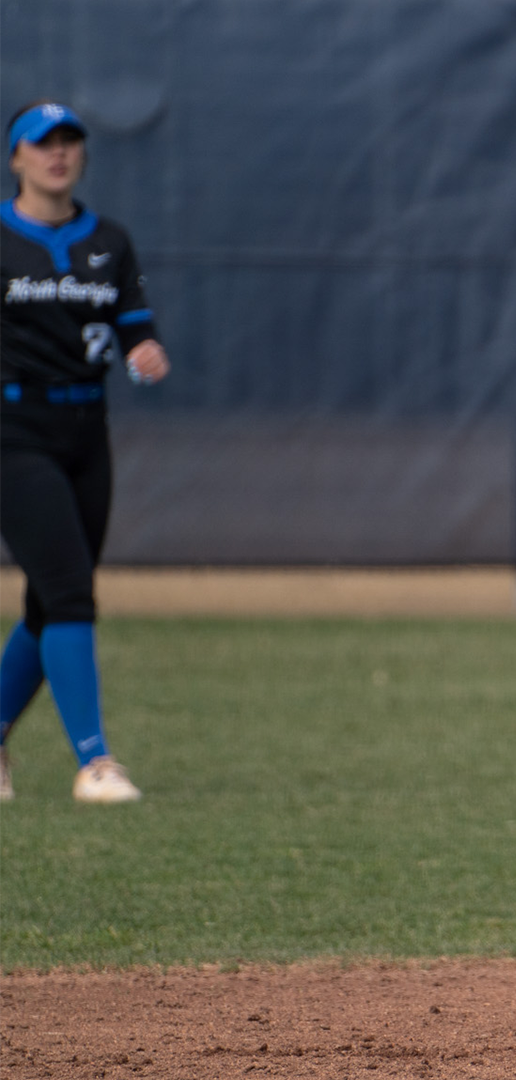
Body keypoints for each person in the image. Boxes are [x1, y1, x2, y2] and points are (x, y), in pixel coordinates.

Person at [0, 101, 169, 803]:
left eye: (69, 141)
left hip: (85, 435)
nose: (58, 153)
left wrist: (144, 353)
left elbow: (134, 331)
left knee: (49, 601)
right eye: (43, 143)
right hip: (13, 433)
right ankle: (94, 762)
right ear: (17, 159)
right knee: (71, 592)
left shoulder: (110, 241)